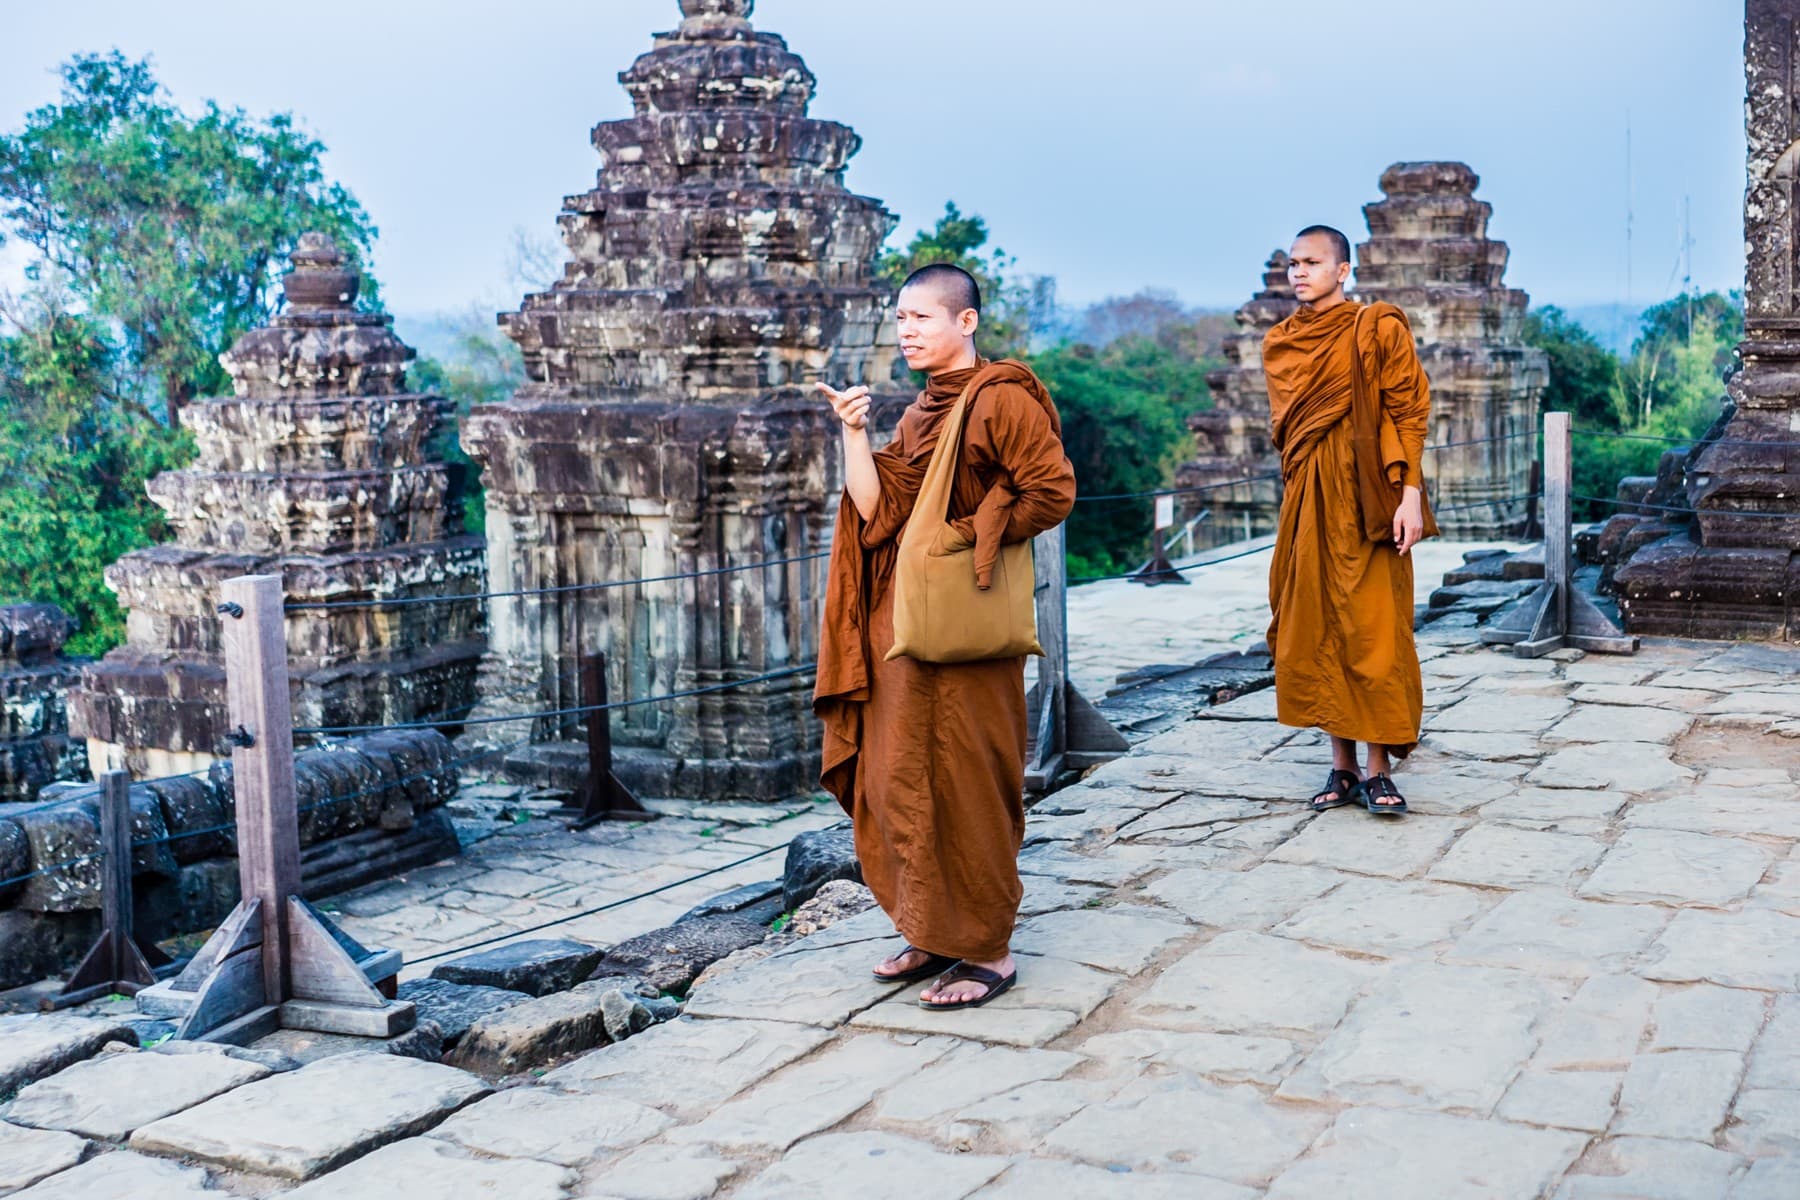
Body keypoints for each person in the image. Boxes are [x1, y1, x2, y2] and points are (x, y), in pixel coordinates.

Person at [813, 263, 1076, 1009]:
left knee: (967, 782)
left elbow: (1052, 490)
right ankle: (932, 930)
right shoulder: (922, 412)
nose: (907, 332)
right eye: (899, 320)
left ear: (965, 322)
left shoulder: (1001, 401)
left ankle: (988, 951)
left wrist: (966, 538)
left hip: (964, 626)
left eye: (921, 318)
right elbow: (879, 512)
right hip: (905, 632)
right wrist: (854, 434)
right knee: (899, 778)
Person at [1261, 225, 1436, 816]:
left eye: (1313, 262)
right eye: (1292, 263)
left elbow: (1409, 411)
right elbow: (1292, 431)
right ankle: (1342, 766)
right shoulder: (1280, 344)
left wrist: (1410, 493)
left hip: (1372, 497)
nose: (1299, 272)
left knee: (1376, 630)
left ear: (1344, 271)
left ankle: (1380, 769)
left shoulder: (1377, 328)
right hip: (1310, 500)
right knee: (1315, 627)